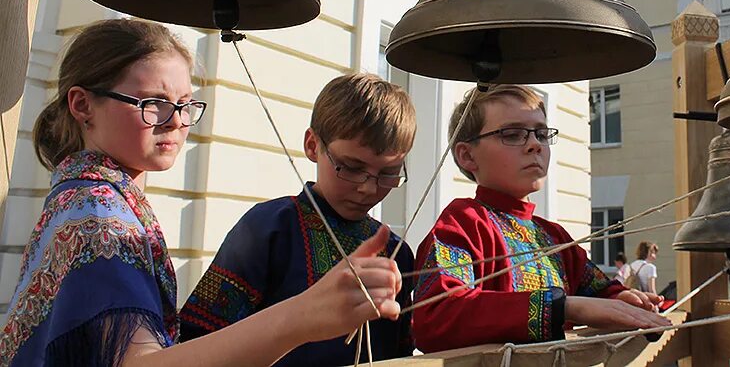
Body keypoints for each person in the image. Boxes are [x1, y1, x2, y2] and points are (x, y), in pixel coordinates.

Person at [0, 19, 401, 367]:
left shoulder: (89, 197)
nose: (176, 122)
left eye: (186, 104)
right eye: (154, 103)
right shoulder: (97, 213)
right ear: (83, 104)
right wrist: (302, 316)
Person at [179, 72, 416, 365]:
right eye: (351, 167)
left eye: (389, 174)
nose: (368, 187)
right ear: (313, 145)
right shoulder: (268, 228)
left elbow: (401, 354)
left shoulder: (397, 253)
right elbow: (198, 339)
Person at [412, 85, 670, 352]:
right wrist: (565, 306)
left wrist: (625, 299)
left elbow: (599, 290)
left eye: (542, 134)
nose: (535, 144)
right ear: (467, 155)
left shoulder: (554, 237)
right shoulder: (464, 222)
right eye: (513, 134)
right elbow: (435, 316)